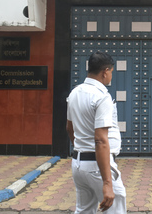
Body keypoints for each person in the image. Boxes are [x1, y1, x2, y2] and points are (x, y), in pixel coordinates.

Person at [66, 51, 126, 214]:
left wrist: (82, 149)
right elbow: (100, 140)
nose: (111, 77)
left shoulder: (74, 93)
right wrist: (107, 182)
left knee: (84, 211)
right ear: (105, 71)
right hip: (97, 166)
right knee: (115, 209)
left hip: (79, 165)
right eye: (111, 73)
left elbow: (69, 129)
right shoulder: (101, 97)